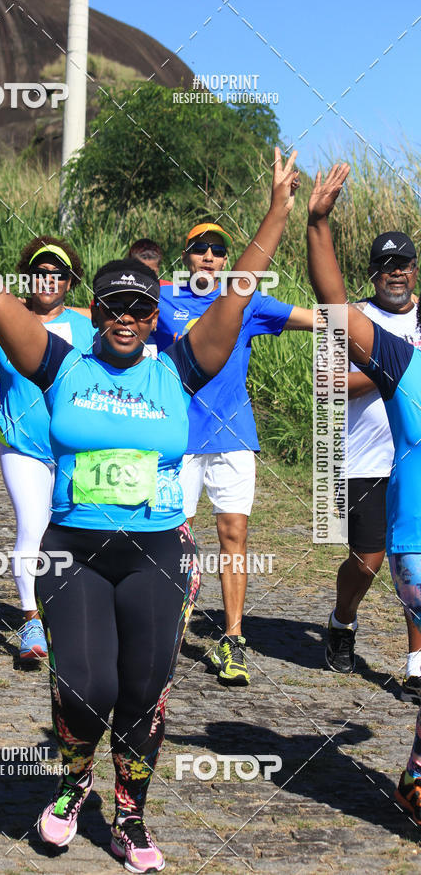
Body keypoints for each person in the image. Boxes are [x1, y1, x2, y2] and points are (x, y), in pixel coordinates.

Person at [0, 153, 299, 872]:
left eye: (142, 307)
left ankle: (131, 819)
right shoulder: (61, 363)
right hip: (72, 551)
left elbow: (238, 294)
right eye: (115, 307)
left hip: (157, 554)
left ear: (153, 315)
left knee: (142, 691)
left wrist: (279, 213)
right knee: (87, 686)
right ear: (96, 312)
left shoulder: (180, 368)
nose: (129, 319)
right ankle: (73, 789)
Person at [154, 221, 317, 687]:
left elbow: (317, 318)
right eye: (199, 248)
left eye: (218, 250)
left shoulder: (246, 302)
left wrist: (370, 321)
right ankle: (168, 633)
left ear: (227, 260)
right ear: (184, 256)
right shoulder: (163, 299)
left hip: (233, 437)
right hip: (178, 438)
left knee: (233, 536)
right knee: (172, 539)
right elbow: (104, 315)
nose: (209, 256)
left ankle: (233, 638)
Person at [308, 161, 421, 825]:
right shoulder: (402, 363)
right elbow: (333, 310)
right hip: (416, 536)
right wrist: (317, 223)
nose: (399, 272)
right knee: (365, 559)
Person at [0, 237, 95, 659]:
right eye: (41, 273)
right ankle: (31, 622)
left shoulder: (89, 326)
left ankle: (72, 614)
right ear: (29, 278)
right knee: (33, 527)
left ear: (69, 282)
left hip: (76, 448)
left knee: (77, 530)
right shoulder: (5, 321)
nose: (48, 281)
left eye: (57, 275)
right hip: (21, 445)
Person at [325, 231, 421, 696]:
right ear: (373, 274)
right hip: (364, 457)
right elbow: (329, 383)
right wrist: (391, 369)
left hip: (413, 461)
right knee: (368, 561)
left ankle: (416, 662)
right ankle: (342, 620)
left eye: (403, 263)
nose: (396, 273)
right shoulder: (356, 318)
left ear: (415, 269)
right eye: (386, 266)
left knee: (414, 561)